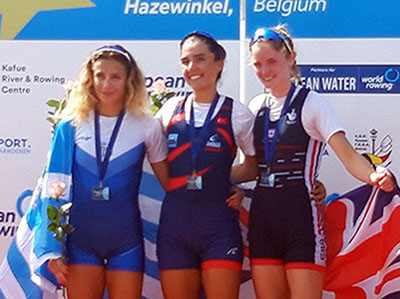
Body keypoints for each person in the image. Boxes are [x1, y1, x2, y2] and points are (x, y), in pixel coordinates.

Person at [231, 25, 395, 299]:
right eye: (258, 65)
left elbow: (349, 155)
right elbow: (251, 167)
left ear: (291, 58)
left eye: (271, 61)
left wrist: (373, 176)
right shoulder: (255, 106)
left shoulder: (313, 102)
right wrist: (217, 181)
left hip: (301, 219)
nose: (264, 71)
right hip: (262, 219)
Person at [47, 45, 169, 299]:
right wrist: (50, 249)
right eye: (100, 75)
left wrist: (222, 188)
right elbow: (52, 188)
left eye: (116, 76)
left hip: (126, 242)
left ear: (129, 80)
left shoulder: (147, 126)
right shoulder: (70, 126)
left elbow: (170, 182)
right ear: (89, 79)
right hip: (81, 242)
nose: (106, 83)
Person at [154, 31, 258, 299]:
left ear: (219, 62)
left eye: (200, 59)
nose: (192, 68)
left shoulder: (238, 113)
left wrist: (223, 179)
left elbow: (254, 166)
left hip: (218, 228)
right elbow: (136, 143)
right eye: (186, 61)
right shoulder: (169, 110)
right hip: (174, 229)